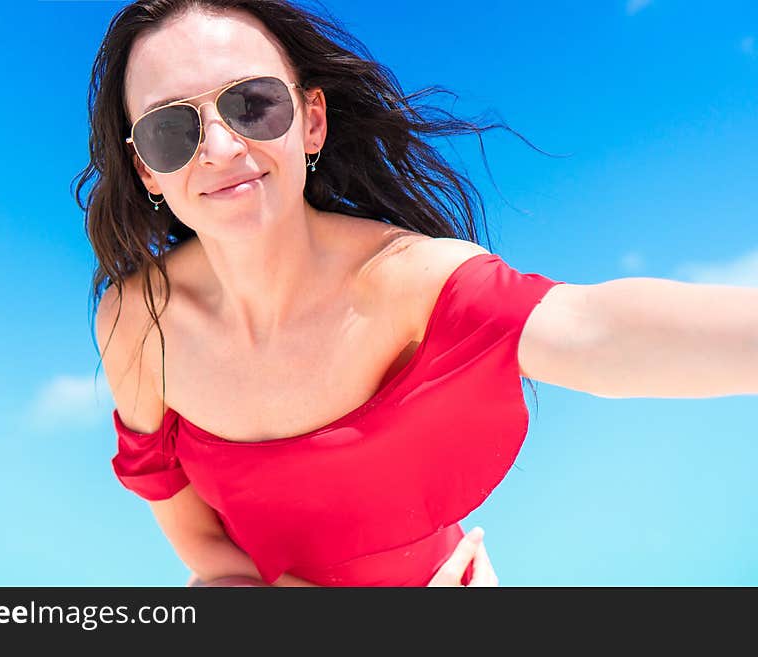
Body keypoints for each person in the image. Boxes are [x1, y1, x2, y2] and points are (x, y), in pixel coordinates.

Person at [76, 0, 757, 587]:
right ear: (147, 169)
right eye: (172, 128)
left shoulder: (408, 280)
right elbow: (199, 540)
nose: (221, 146)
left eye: (252, 104)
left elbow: (596, 329)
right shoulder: (140, 325)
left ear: (311, 121)